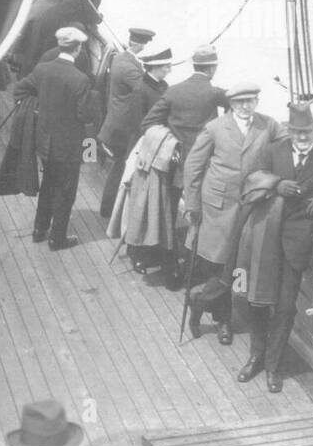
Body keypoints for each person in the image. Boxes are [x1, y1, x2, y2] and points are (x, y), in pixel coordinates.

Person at [235, 102, 313, 392]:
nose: (302, 136)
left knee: (284, 307)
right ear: (290, 131)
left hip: (298, 241)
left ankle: (273, 366)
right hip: (265, 238)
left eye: (307, 131)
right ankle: (255, 356)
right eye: (297, 131)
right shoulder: (273, 151)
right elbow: (251, 179)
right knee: (256, 300)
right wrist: (277, 183)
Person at [181, 82, 284, 344]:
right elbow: (193, 165)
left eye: (250, 101)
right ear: (231, 104)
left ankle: (201, 299)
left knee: (240, 262)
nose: (245, 106)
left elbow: (289, 147)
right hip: (219, 205)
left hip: (252, 204)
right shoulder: (215, 128)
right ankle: (222, 320)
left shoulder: (268, 125)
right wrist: (192, 203)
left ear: (257, 102)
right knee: (219, 263)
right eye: (239, 102)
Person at [139, 44, 230, 284]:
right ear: (211, 68)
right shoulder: (215, 93)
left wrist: (171, 142)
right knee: (201, 215)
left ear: (194, 66)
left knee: (168, 215)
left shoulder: (173, 92)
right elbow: (235, 109)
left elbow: (148, 124)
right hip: (206, 168)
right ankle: (194, 271)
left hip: (175, 165)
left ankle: (169, 272)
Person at [12, 26, 100, 251]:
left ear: (60, 45)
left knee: (48, 185)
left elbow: (20, 90)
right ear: (78, 48)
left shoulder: (43, 69)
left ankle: (39, 230)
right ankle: (57, 238)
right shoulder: (80, 79)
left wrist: (37, 111)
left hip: (45, 142)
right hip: (68, 146)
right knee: (65, 191)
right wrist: (94, 100)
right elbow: (85, 115)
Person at [106, 48, 174, 271]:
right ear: (155, 66)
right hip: (143, 150)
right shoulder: (140, 89)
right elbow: (138, 124)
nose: (169, 69)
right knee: (137, 200)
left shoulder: (163, 87)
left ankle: (152, 248)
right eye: (166, 66)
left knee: (155, 201)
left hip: (160, 149)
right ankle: (135, 252)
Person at [97, 28, 158, 219]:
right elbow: (145, 89)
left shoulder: (121, 58)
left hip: (114, 122)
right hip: (123, 128)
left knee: (118, 166)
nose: (145, 47)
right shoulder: (130, 67)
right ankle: (109, 210)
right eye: (145, 44)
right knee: (120, 167)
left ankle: (108, 209)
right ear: (139, 44)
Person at [9, 0, 94, 74]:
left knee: (33, 51)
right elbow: (71, 5)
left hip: (39, 13)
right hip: (42, 17)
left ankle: (25, 77)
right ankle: (27, 79)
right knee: (35, 52)